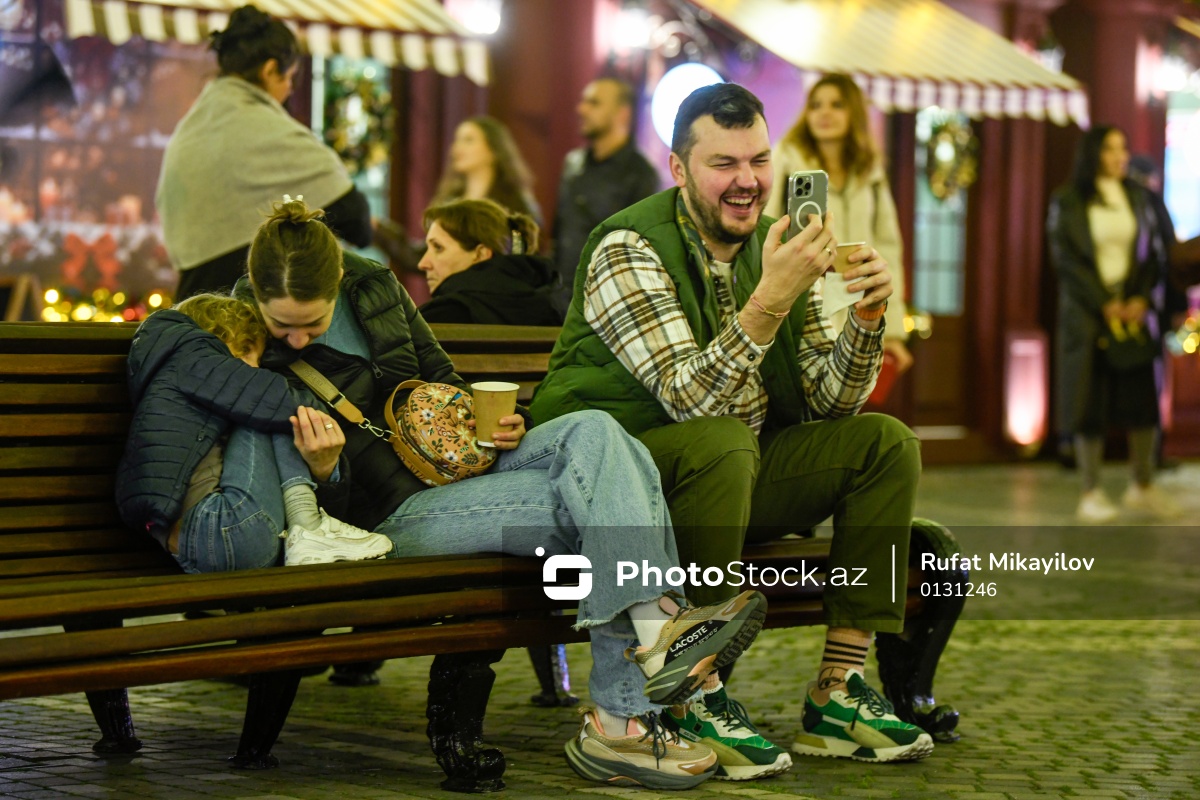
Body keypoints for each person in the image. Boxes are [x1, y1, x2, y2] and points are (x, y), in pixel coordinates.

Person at [232, 197, 769, 790]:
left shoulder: (375, 286)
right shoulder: (240, 337)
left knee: (598, 433)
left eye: (313, 322)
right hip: (383, 518)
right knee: (610, 496)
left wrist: (499, 425)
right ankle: (634, 692)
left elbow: (442, 379)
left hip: (457, 472)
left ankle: (642, 670)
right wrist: (326, 469)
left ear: (336, 278)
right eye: (284, 326)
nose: (298, 339)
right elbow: (284, 491)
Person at [531, 83, 934, 777]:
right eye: (724, 163)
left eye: (759, 160)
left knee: (883, 443)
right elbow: (690, 400)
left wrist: (865, 321)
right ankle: (697, 693)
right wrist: (771, 296)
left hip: (734, 472)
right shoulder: (628, 248)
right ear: (679, 169)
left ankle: (838, 693)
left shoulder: (777, 245)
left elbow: (829, 403)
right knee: (721, 441)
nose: (748, 180)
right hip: (621, 487)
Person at [115, 294, 393, 573]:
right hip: (220, 527)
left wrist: (324, 470)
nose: (255, 366)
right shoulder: (190, 354)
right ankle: (308, 526)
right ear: (218, 332)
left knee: (269, 407)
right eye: (247, 349)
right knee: (271, 408)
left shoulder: (177, 371)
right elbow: (280, 401)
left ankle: (309, 529)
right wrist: (321, 418)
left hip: (205, 545)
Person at [157, 5, 372, 300]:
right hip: (246, 310)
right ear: (270, 70)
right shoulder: (264, 129)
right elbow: (356, 220)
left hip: (191, 306)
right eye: (289, 78)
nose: (289, 90)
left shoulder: (191, 128)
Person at [1047, 125, 1181, 523]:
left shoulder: (1138, 197)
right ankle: (1090, 491)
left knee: (1143, 399)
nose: (1121, 156)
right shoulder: (1068, 200)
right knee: (1088, 401)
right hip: (1088, 315)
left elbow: (1155, 254)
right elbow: (1067, 261)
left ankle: (1143, 485)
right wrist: (1105, 303)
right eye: (1111, 149)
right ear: (1093, 154)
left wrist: (1141, 298)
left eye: (1123, 148)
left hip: (1134, 313)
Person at [766, 73, 912, 376]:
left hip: (857, 303)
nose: (824, 113)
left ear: (853, 112)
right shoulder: (787, 159)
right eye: (816, 105)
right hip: (801, 301)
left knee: (850, 391)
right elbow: (766, 227)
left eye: (837, 105)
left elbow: (888, 251)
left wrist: (894, 330)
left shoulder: (869, 171)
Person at [552, 77, 661, 314]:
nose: (581, 109)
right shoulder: (573, 163)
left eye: (594, 103)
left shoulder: (641, 174)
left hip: (604, 306)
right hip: (559, 299)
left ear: (622, 114)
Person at [418, 198, 561, 326]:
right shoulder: (556, 311)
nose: (423, 264)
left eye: (438, 248)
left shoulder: (439, 318)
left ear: (481, 254)